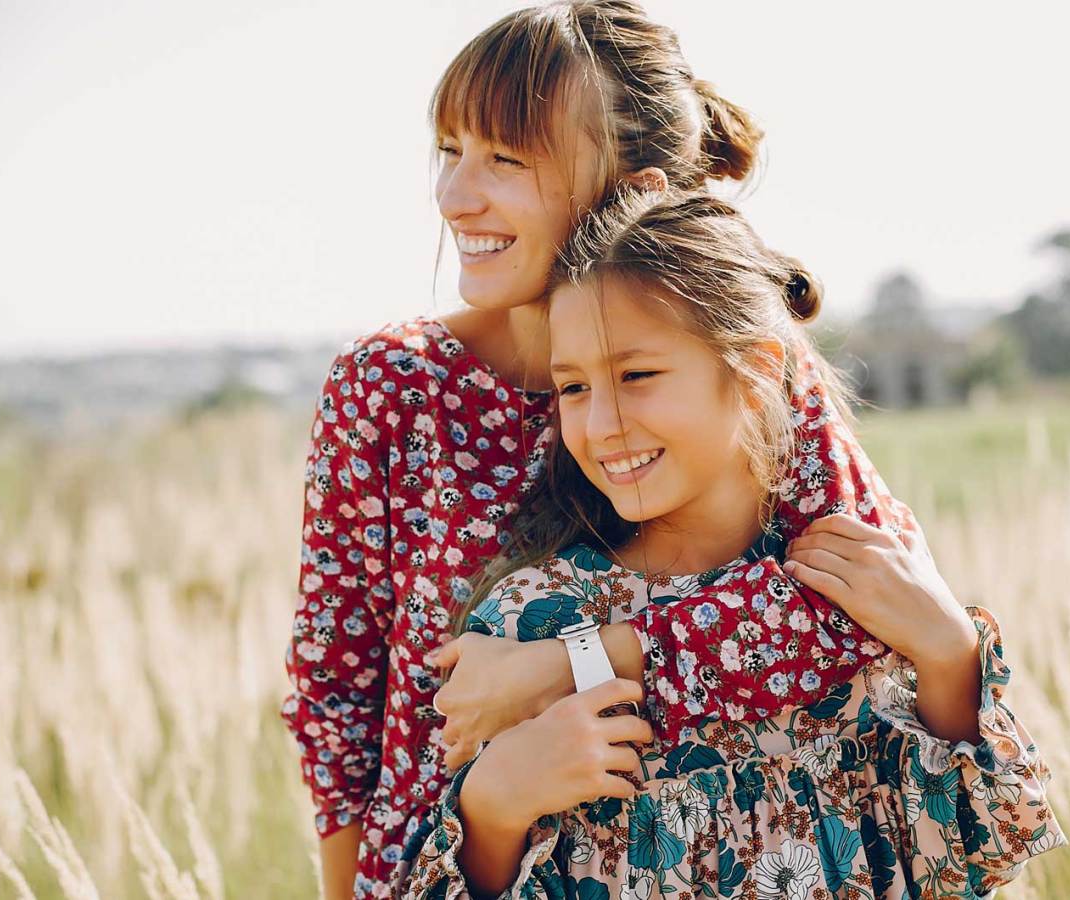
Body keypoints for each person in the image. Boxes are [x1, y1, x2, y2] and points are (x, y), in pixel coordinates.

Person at [391, 190, 1066, 900]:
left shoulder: (845, 592)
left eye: (636, 375)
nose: (602, 424)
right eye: (574, 388)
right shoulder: (535, 622)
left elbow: (974, 856)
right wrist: (493, 805)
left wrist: (953, 658)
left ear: (754, 370)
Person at [280, 3, 776, 897]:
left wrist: (577, 662)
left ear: (637, 190)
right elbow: (335, 689)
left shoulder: (734, 363)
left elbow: (841, 614)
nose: (454, 196)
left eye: (505, 159)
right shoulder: (392, 386)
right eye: (450, 151)